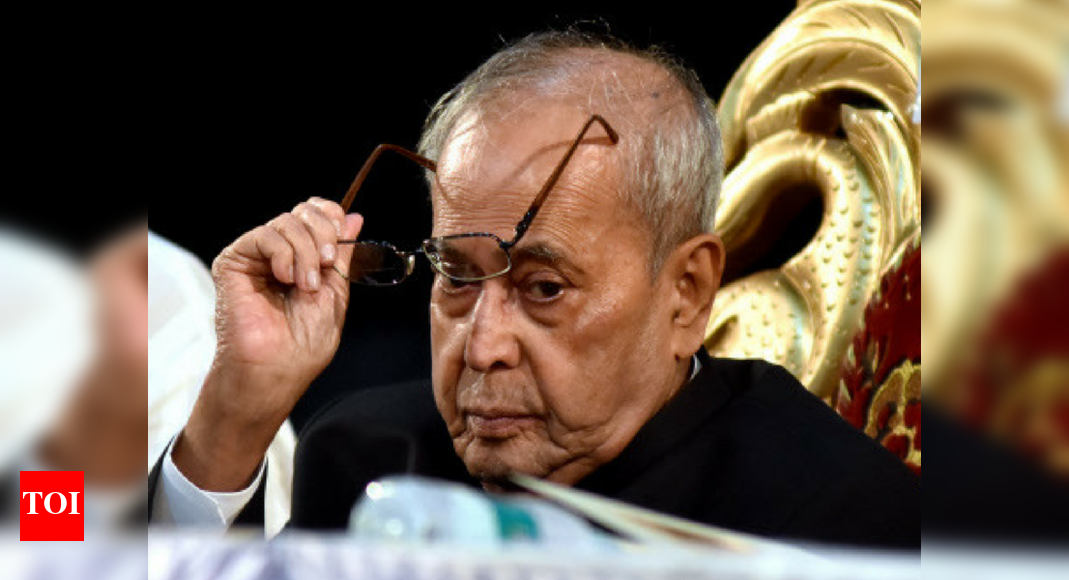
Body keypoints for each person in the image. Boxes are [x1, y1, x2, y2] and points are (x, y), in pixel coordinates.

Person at [149, 31, 920, 548]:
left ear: (685, 293)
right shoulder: (368, 457)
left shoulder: (830, 519)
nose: (482, 347)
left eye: (544, 288)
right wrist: (235, 417)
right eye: (456, 276)